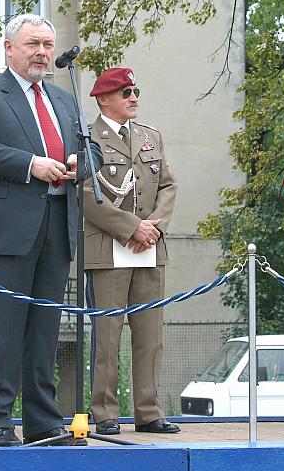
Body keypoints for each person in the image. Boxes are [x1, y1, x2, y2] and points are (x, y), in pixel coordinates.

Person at [0, 13, 103, 447]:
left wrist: (79, 163)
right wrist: (30, 164)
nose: (42, 53)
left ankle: (43, 421)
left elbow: (92, 149)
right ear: (9, 49)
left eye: (47, 45)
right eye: (32, 44)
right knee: (4, 329)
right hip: (7, 230)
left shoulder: (63, 98)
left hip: (58, 225)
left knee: (45, 328)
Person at [83, 68, 179, 435]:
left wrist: (154, 226)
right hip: (110, 248)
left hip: (149, 247)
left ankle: (149, 412)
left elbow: (168, 185)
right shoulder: (88, 138)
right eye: (125, 92)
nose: (133, 97)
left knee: (150, 335)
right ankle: (105, 412)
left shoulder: (151, 136)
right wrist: (131, 227)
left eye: (135, 90)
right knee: (107, 336)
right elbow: (87, 195)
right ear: (103, 99)